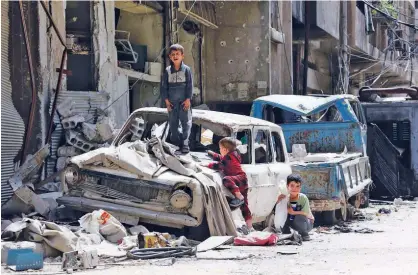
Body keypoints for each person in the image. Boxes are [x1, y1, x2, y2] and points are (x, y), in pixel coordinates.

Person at [206, 137, 253, 229]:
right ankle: (250, 226)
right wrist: (213, 154)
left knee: (226, 179)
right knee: (245, 207)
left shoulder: (228, 158)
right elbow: (222, 158)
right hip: (242, 179)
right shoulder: (234, 154)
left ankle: (239, 196)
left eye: (220, 149)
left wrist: (208, 165)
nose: (219, 150)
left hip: (237, 179)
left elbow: (219, 165)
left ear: (225, 149)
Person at [161, 44, 193, 154]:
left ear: (182, 56)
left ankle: (185, 145)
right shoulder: (167, 71)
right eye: (173, 54)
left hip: (184, 102)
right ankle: (175, 145)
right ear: (170, 57)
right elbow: (164, 87)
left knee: (186, 123)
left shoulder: (187, 70)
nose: (175, 56)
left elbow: (189, 85)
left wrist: (188, 99)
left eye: (177, 54)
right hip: (172, 103)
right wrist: (167, 102)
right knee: (173, 123)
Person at [277, 174, 314, 241]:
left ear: (300, 188)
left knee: (299, 216)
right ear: (287, 186)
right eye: (292, 186)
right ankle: (287, 233)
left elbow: (306, 213)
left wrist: (293, 212)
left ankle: (304, 234)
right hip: (291, 222)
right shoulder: (285, 198)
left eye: (297, 186)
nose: (295, 189)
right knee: (284, 218)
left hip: (306, 223)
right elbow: (278, 212)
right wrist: (278, 201)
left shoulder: (303, 198)